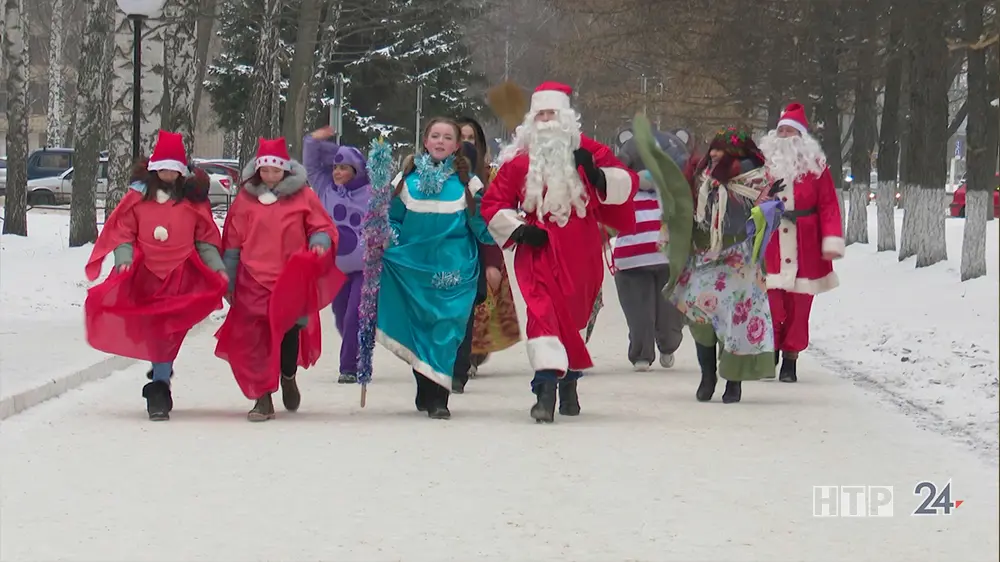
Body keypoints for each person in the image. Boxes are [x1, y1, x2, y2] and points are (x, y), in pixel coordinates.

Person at [480, 81, 639, 423]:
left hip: (581, 250)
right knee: (542, 314)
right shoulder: (519, 162)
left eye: (553, 113)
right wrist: (520, 229)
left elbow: (625, 184)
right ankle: (545, 390)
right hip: (537, 249)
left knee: (574, 317)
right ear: (532, 121)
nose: (547, 120)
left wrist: (597, 175)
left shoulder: (589, 151)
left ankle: (569, 382)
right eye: (541, 114)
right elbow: (493, 203)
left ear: (566, 118)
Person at [84, 130, 228, 421]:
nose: (168, 174)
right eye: (163, 168)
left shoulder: (192, 200)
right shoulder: (137, 197)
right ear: (153, 167)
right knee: (158, 331)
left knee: (171, 331)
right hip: (147, 275)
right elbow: (123, 232)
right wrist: (123, 258)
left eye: (173, 169)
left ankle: (160, 377)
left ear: (181, 171)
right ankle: (160, 384)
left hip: (181, 275)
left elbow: (205, 239)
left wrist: (216, 267)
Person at [215, 137, 344, 421]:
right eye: (265, 170)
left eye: (276, 170)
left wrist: (320, 241)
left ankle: (288, 374)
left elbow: (320, 225)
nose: (270, 176)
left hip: (291, 278)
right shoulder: (245, 200)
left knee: (288, 334)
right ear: (258, 170)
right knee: (257, 339)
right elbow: (233, 243)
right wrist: (230, 280)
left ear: (285, 170)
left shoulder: (303, 196)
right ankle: (263, 397)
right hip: (253, 279)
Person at [375, 117, 497, 420]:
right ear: (426, 142)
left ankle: (440, 396)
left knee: (447, 331)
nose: (440, 141)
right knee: (420, 329)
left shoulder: (468, 185)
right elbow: (392, 220)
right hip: (414, 269)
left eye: (447, 137)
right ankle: (424, 383)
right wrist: (387, 239)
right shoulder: (406, 182)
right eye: (435, 136)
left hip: (455, 272)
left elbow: (482, 226)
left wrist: (508, 229)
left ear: (457, 146)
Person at [668, 125, 784, 403]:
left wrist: (768, 205)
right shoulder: (700, 176)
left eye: (724, 149)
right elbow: (684, 209)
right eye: (715, 148)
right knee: (701, 318)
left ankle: (733, 381)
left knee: (737, 323)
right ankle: (708, 375)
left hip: (739, 260)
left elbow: (770, 216)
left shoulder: (755, 180)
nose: (717, 153)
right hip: (705, 256)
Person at [758, 102, 845, 382]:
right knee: (771, 303)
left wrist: (831, 239)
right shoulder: (764, 167)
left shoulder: (816, 168)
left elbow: (829, 204)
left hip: (805, 243)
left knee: (799, 306)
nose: (784, 137)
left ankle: (790, 360)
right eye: (781, 131)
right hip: (771, 241)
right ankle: (769, 351)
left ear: (801, 138)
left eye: (790, 132)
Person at [453, 116, 520, 389]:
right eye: (461, 138)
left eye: (471, 138)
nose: (466, 143)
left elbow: (494, 218)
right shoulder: (440, 175)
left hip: (484, 247)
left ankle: (471, 355)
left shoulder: (491, 176)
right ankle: (458, 357)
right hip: (452, 251)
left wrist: (492, 260)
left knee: (481, 307)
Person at [613, 128, 688, 371]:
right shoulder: (623, 193)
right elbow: (606, 217)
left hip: (669, 263)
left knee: (670, 315)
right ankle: (641, 353)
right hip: (631, 263)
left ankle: (668, 344)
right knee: (639, 314)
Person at [302, 126, 372, 384]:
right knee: (342, 315)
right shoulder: (325, 188)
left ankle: (349, 366)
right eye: (335, 167)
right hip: (336, 268)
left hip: (365, 267)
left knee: (355, 313)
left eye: (344, 168)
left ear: (356, 170)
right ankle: (357, 346)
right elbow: (310, 162)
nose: (338, 172)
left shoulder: (371, 192)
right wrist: (314, 140)